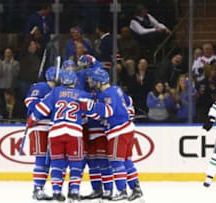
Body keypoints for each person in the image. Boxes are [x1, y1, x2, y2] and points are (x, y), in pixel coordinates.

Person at [80, 68, 144, 202]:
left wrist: (91, 106)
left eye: (94, 80)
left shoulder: (106, 94)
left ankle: (122, 191)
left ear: (99, 81)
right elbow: (129, 102)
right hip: (127, 128)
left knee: (116, 161)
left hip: (118, 130)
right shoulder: (117, 89)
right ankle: (136, 189)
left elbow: (108, 111)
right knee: (126, 161)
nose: (92, 82)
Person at [27, 70, 90, 202]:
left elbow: (41, 109)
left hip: (55, 131)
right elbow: (88, 113)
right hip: (74, 132)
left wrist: (32, 118)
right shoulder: (81, 94)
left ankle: (56, 192)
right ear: (75, 81)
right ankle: (74, 191)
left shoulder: (55, 92)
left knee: (56, 162)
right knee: (76, 162)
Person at [24, 66, 57, 201]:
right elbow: (30, 103)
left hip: (49, 127)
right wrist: (45, 104)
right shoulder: (42, 87)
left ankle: (40, 188)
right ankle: (37, 188)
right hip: (39, 126)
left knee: (47, 160)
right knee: (41, 158)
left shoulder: (55, 90)